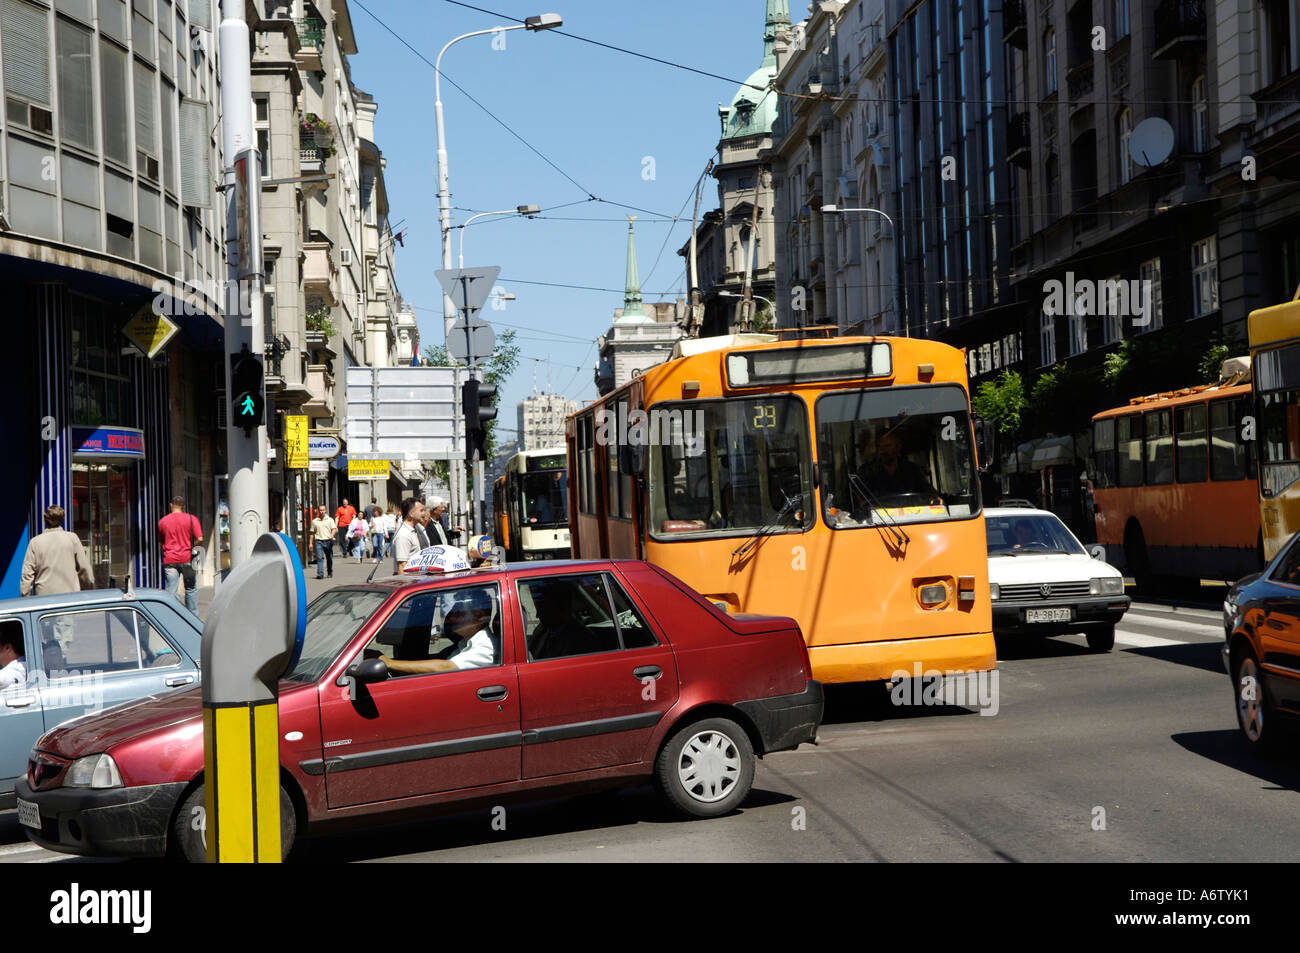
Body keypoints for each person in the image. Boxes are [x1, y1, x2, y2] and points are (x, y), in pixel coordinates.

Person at [379, 589, 495, 674]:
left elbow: (447, 667)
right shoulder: (464, 643)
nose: (451, 618)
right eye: (452, 612)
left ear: (478, 617)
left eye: (459, 613)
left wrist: (389, 663)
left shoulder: (485, 647)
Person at [21, 505, 95, 597]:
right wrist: (89, 588)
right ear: (62, 520)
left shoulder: (35, 542)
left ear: (45, 519)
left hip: (44, 597)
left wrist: (25, 595)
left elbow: (27, 574)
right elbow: (84, 568)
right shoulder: (72, 538)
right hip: (70, 595)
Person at [854, 430, 938, 501]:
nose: (882, 450)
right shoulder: (866, 471)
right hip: (880, 519)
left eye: (887, 446)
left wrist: (935, 498)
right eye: (879, 446)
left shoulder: (912, 469)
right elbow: (860, 497)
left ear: (898, 447)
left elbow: (929, 491)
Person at [157, 497, 203, 613]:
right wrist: (193, 546)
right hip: (188, 558)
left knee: (171, 591)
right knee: (191, 589)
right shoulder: (192, 519)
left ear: (171, 505)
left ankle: (174, 616)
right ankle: (192, 617)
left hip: (170, 559)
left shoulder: (163, 521)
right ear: (183, 506)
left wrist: (166, 549)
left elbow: (161, 542)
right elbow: (200, 538)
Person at [392, 497, 425, 572]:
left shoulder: (413, 530)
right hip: (409, 581)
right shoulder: (403, 535)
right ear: (411, 514)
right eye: (421, 511)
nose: (424, 514)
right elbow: (402, 566)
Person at [311, 504, 336, 579]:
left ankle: (330, 571)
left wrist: (332, 535)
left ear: (326, 510)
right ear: (318, 511)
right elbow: (312, 532)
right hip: (318, 541)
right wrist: (310, 543)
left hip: (328, 541)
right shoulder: (315, 521)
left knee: (329, 558)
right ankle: (320, 574)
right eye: (320, 510)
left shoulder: (330, 520)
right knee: (319, 558)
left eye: (323, 510)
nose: (321, 512)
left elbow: (334, 529)